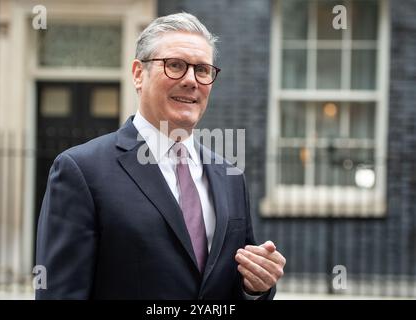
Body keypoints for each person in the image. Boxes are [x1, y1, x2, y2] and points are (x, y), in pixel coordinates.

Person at [35, 12, 285, 300]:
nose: (191, 80)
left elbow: (229, 289)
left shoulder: (230, 176)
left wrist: (254, 287)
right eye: (175, 65)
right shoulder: (81, 170)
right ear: (139, 74)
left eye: (202, 70)